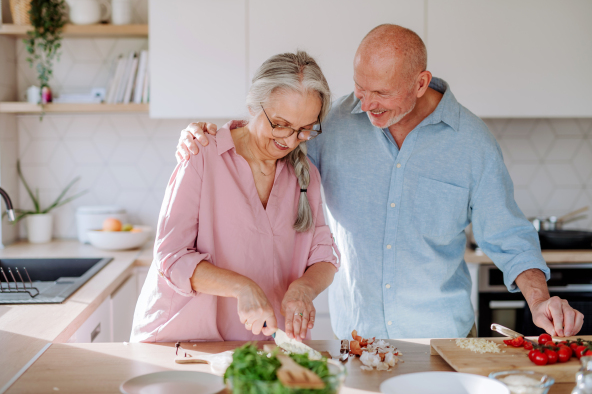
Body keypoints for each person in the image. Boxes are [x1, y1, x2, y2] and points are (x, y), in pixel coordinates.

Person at [175, 25, 584, 339]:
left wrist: (540, 300)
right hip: (354, 341)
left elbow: (509, 237)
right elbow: (271, 149)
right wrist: (209, 135)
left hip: (442, 342)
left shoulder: (472, 143)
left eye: (381, 94)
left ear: (420, 83)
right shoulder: (331, 126)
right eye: (359, 88)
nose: (365, 104)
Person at [130, 51, 339, 343]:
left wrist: (304, 289)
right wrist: (241, 287)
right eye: (280, 124)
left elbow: (324, 256)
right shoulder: (201, 154)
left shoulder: (305, 175)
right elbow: (171, 257)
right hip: (184, 343)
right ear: (254, 104)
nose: (290, 141)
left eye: (305, 130)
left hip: (265, 344)